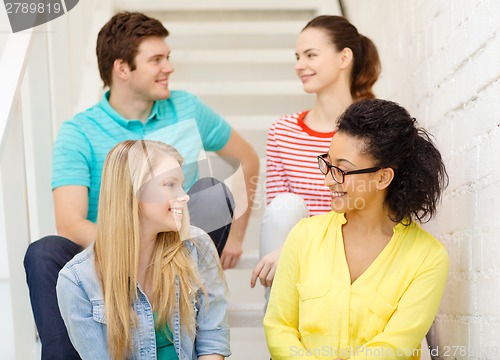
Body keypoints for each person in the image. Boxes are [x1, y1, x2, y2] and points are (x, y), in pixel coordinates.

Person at [23, 12, 259, 360]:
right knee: (44, 252)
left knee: (212, 190)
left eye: (168, 57)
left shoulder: (187, 107)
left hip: (176, 241)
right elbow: (70, 223)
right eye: (156, 60)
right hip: (108, 252)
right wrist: (130, 246)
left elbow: (247, 160)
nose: (168, 67)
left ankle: (192, 304)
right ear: (122, 68)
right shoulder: (80, 132)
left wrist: (237, 236)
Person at [263, 99, 450, 359]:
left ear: (383, 177)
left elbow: (396, 346)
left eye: (342, 170)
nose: (328, 180)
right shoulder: (304, 236)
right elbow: (278, 327)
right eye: (327, 164)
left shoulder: (428, 257)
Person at [56, 140, 230, 359]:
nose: (184, 195)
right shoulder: (76, 281)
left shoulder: (197, 245)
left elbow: (213, 342)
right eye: (170, 184)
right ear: (133, 190)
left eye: (181, 184)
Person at [251, 15, 381, 291]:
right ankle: (280, 319)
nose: (300, 66)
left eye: (311, 55)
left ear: (344, 58)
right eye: (297, 57)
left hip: (357, 250)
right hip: (298, 259)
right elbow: (278, 213)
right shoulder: (282, 131)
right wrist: (295, 251)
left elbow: (375, 211)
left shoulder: (376, 128)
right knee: (285, 206)